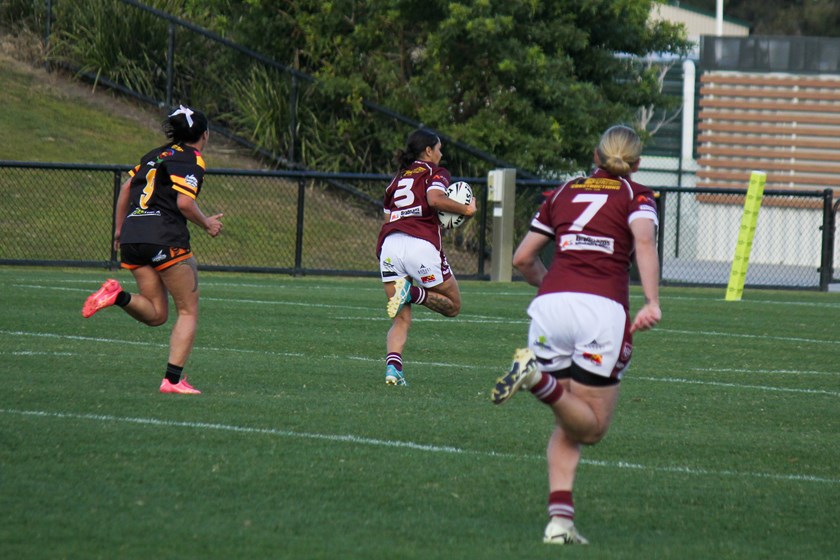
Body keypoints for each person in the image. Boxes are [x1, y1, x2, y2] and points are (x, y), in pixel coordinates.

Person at [490, 125, 661, 544]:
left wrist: (553, 286)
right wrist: (652, 301)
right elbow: (643, 242)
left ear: (595, 155)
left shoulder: (564, 191)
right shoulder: (636, 195)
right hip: (601, 311)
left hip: (550, 308)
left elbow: (522, 258)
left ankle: (559, 523)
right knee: (593, 428)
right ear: (637, 164)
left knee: (568, 420)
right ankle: (535, 379)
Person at [81, 104, 224, 395]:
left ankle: (117, 295)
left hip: (133, 237)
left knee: (157, 314)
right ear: (205, 135)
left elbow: (126, 189)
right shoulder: (193, 159)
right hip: (164, 236)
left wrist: (119, 230)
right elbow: (184, 203)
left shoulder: (155, 155)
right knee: (188, 311)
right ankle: (172, 381)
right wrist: (207, 223)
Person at [376, 129, 477, 386]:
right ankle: (411, 293)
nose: (441, 154)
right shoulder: (436, 172)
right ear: (429, 151)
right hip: (419, 245)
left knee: (401, 318)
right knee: (453, 306)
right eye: (439, 149)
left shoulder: (396, 179)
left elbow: (389, 218)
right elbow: (434, 199)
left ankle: (393, 369)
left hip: (390, 246)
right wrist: (466, 209)